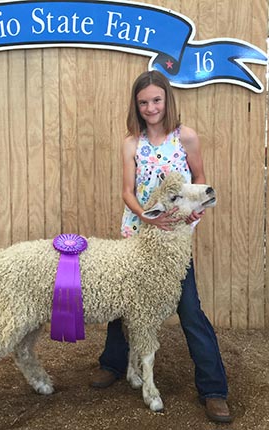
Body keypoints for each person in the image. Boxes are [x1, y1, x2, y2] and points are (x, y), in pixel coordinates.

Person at [90, 70, 232, 423]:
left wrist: (192, 215)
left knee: (189, 309)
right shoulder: (131, 142)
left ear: (166, 100)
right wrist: (146, 216)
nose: (150, 107)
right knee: (120, 302)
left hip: (173, 240)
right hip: (138, 233)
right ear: (136, 106)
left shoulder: (186, 137)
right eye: (143, 102)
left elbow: (200, 181)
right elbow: (126, 190)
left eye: (156, 100)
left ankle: (213, 389)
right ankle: (113, 364)